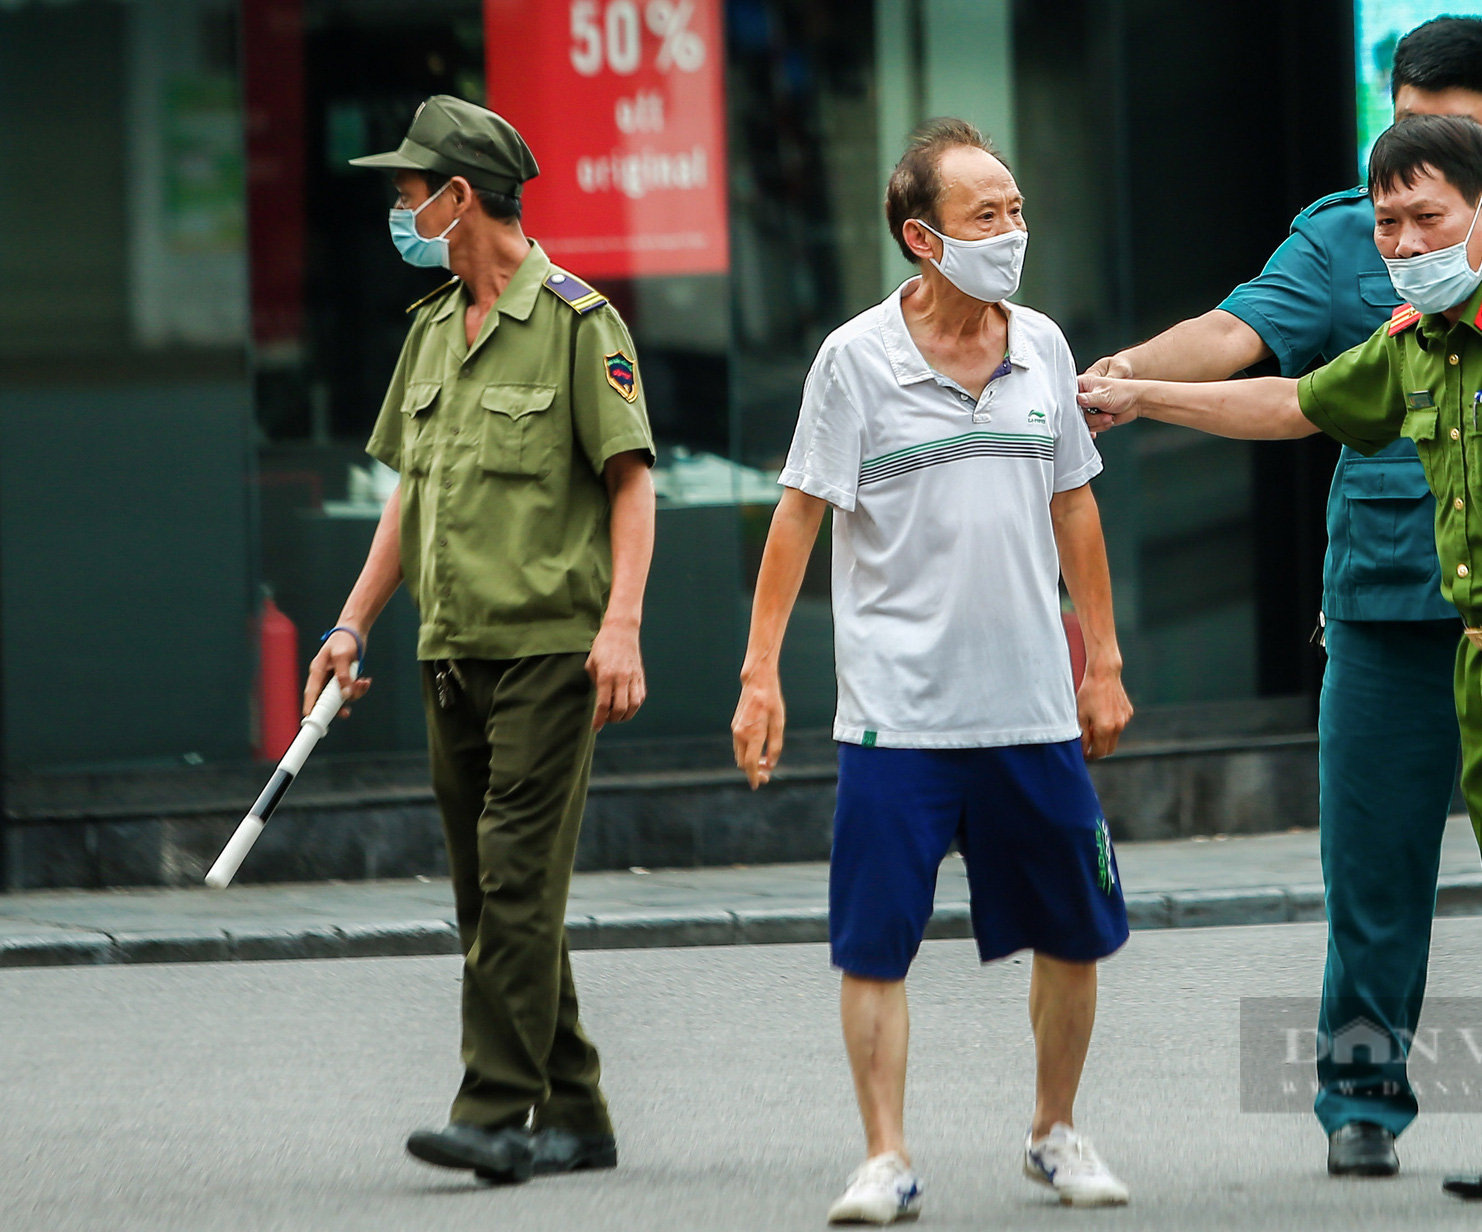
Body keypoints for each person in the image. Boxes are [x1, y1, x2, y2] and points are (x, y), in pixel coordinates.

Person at [1082, 14, 1482, 1179]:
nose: (1402, 228)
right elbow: (1264, 373)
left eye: (1431, 195)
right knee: (1380, 869)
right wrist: (1128, 385)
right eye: (1392, 192)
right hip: (1400, 605)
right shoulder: (1368, 264)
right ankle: (1370, 1097)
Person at [730, 118, 1134, 1225]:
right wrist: (759, 673)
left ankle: (1053, 1129)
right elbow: (796, 519)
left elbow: (1074, 507)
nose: (1010, 232)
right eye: (984, 215)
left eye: (1014, 210)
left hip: (1031, 709)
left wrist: (1101, 659)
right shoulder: (854, 361)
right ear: (921, 235)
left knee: (1073, 928)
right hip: (894, 718)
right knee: (873, 944)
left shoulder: (1042, 347)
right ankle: (884, 1156)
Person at [309, 95, 657, 1184]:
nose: (398, 209)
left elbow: (630, 485)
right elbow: (408, 502)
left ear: (461, 198)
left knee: (511, 879)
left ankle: (494, 1110)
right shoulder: (427, 333)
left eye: (410, 192)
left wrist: (621, 627)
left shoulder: (576, 321)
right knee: (492, 893)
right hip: (446, 648)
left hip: (550, 648)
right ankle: (580, 1110)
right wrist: (350, 621)